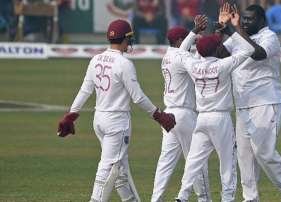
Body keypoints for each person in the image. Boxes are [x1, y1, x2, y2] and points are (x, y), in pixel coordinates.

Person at [57, 19, 176, 202]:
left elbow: (85, 90)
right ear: (125, 39)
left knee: (120, 169)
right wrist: (159, 116)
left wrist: (71, 115)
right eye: (129, 38)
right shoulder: (124, 64)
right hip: (117, 123)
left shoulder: (95, 59)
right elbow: (138, 97)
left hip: (99, 120)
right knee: (109, 167)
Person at [219, 3, 281, 202]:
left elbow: (257, 54)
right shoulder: (238, 36)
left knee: (264, 153)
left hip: (266, 103)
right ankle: (250, 198)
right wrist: (223, 28)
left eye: (250, 19)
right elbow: (220, 54)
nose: (246, 22)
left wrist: (235, 29)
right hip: (242, 104)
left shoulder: (270, 37)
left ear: (262, 20)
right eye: (244, 18)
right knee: (244, 157)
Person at [174, 20, 255, 201]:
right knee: (227, 162)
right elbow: (249, 50)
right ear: (216, 50)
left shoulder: (193, 65)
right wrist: (230, 31)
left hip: (201, 118)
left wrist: (194, 31)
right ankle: (227, 198)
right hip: (221, 119)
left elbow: (180, 52)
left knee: (193, 161)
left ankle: (182, 196)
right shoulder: (223, 65)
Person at [151, 17, 212, 202]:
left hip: (169, 114)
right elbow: (198, 67)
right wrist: (195, 33)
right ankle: (204, 199)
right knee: (196, 160)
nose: (192, 43)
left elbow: (187, 56)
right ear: (179, 41)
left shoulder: (167, 56)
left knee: (165, 163)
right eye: (188, 40)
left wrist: (196, 38)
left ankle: (156, 199)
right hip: (184, 115)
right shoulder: (180, 56)